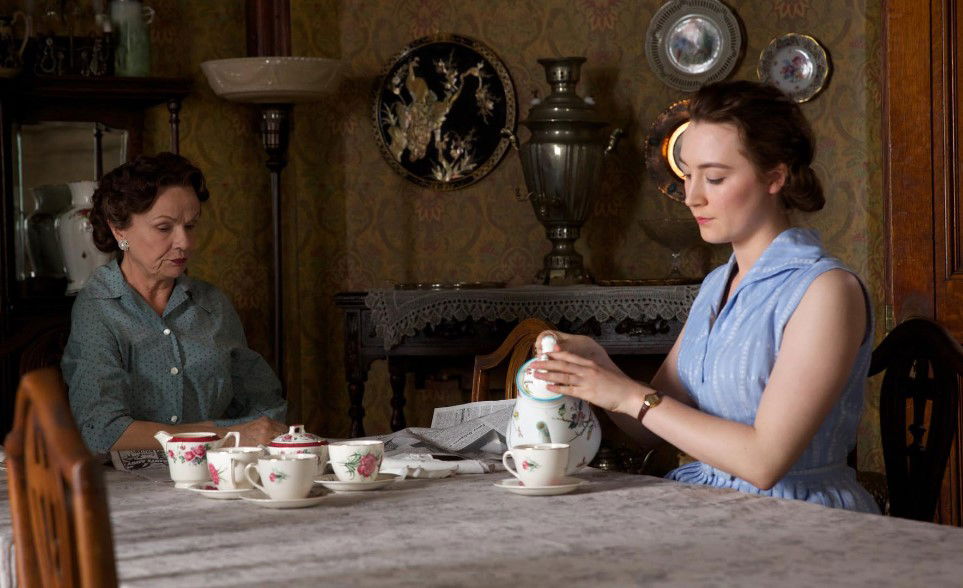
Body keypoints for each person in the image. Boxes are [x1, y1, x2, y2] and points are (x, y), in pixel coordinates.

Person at [531, 80, 879, 513]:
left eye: (714, 178)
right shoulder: (717, 284)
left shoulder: (826, 291)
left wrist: (626, 395)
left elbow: (765, 462)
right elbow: (648, 428)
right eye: (687, 175)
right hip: (713, 503)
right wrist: (599, 368)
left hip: (800, 516)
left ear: (775, 177)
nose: (692, 197)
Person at [62, 152, 288, 454]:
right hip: (129, 481)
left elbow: (265, 406)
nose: (184, 243)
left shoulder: (212, 304)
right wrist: (224, 434)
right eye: (164, 228)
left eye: (190, 226)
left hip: (219, 474)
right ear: (119, 229)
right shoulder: (98, 307)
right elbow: (103, 432)